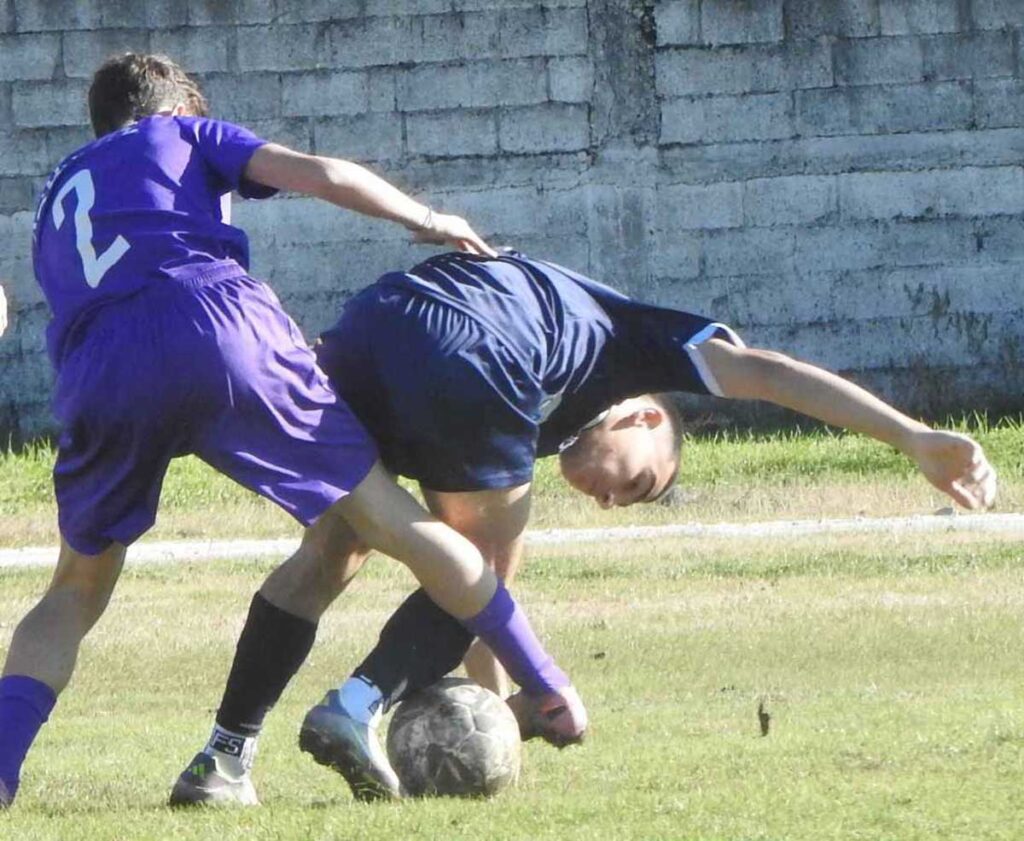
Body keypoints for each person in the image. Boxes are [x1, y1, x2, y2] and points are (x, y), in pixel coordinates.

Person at [0, 54, 587, 811]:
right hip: (217, 324)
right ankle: (549, 685)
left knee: (75, 590)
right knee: (388, 518)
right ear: (175, 107)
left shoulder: (56, 190)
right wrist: (430, 219)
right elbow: (319, 173)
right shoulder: (182, 132)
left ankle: (4, 768)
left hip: (99, 370)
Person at [210, 248, 994, 802]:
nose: (613, 502)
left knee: (334, 546)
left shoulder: (554, 377)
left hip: (371, 327)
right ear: (646, 416)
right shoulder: (632, 342)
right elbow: (768, 373)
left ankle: (222, 758)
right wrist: (912, 436)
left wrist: (493, 722)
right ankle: (352, 706)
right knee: (482, 562)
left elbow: (484, 623)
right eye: (642, 480)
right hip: (476, 343)